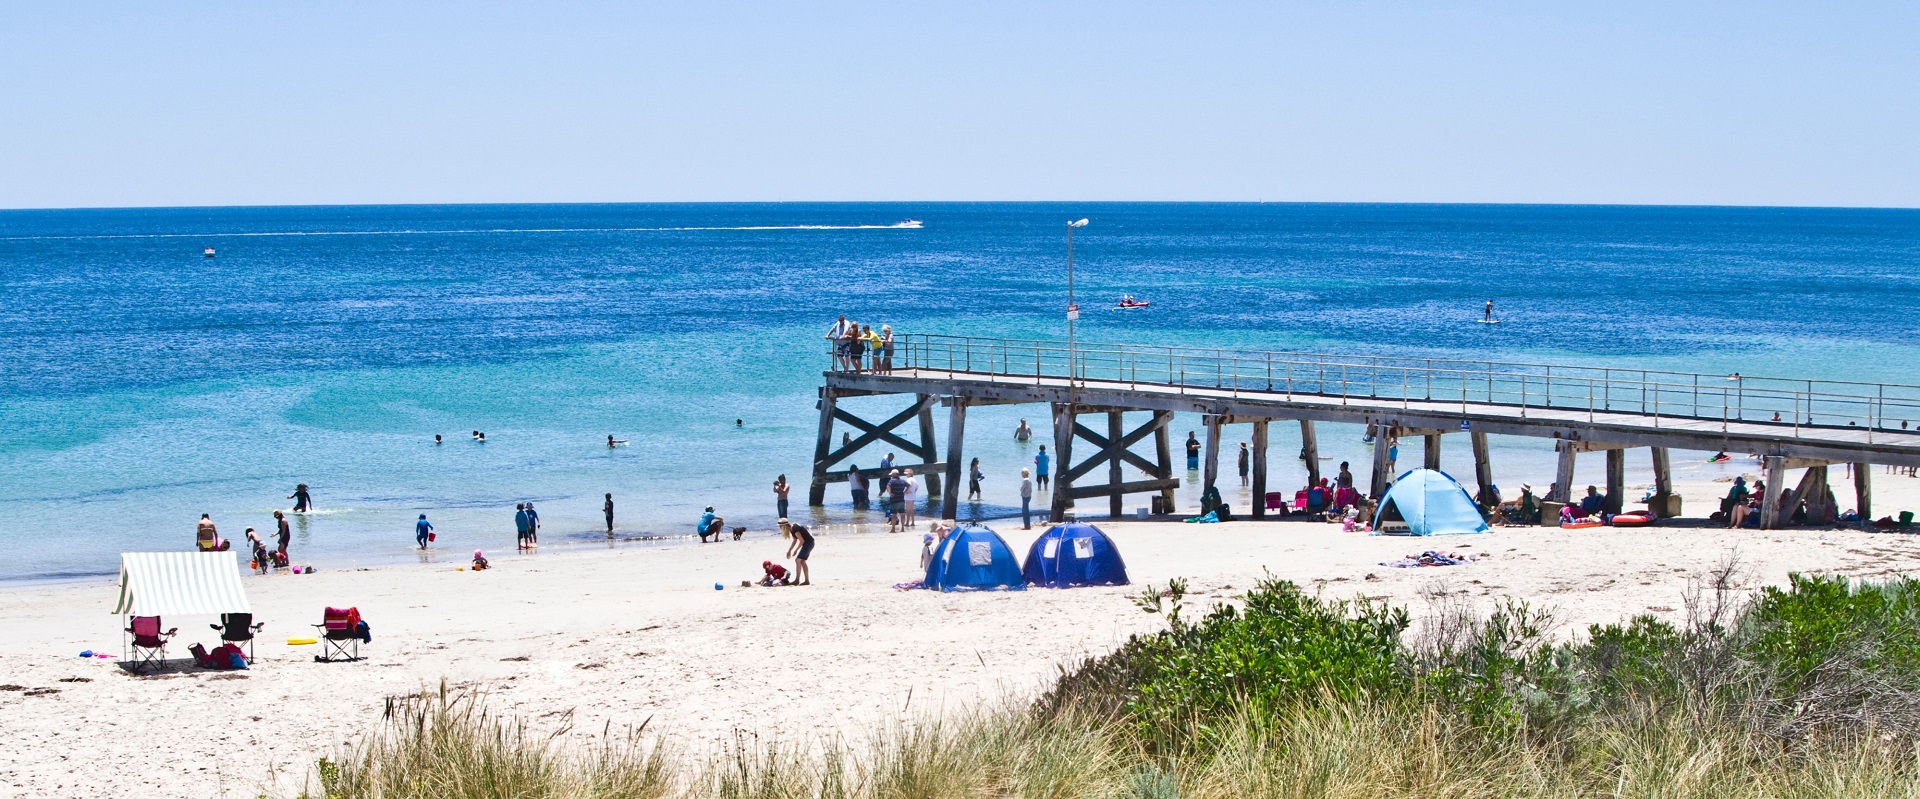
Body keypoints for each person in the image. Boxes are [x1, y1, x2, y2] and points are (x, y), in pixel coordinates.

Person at [780, 518, 813, 585]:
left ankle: (797, 580)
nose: (780, 528)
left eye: (780, 526)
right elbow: (795, 540)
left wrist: (796, 550)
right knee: (802, 561)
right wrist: (789, 551)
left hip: (808, 543)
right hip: (809, 543)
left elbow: (802, 541)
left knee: (798, 560)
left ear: (784, 526)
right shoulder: (792, 529)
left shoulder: (795, 529)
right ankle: (806, 581)